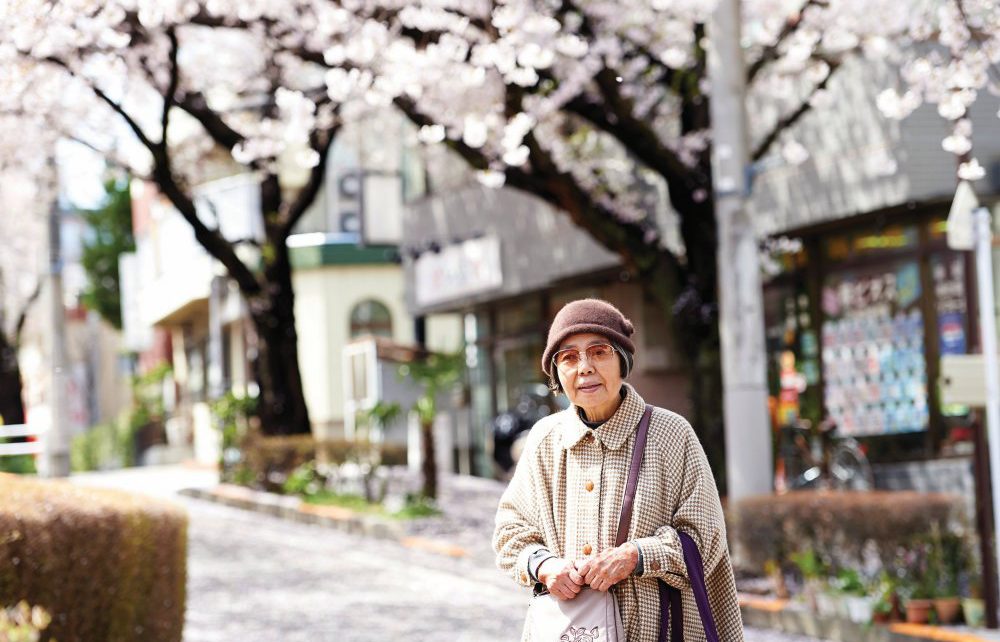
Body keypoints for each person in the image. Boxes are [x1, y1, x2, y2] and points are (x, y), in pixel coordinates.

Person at [492, 299, 744, 642]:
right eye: (568, 357)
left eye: (599, 352)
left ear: (622, 362)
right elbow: (510, 531)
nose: (584, 367)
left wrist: (636, 556)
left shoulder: (672, 434)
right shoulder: (545, 440)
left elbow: (705, 538)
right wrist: (545, 566)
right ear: (556, 374)